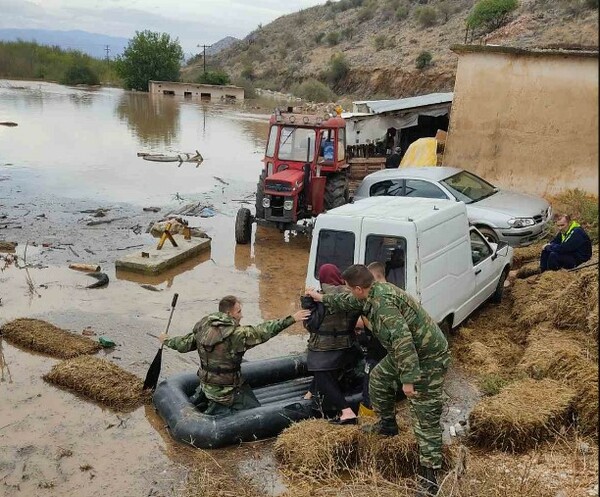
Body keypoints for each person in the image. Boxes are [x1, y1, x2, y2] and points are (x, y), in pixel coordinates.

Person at [306, 265, 450, 497]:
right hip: (405, 353)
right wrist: (319, 297)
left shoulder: (384, 306)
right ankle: (387, 425)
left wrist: (408, 380)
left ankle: (430, 477)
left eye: (351, 290)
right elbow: (347, 302)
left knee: (424, 413)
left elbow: (404, 341)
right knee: (378, 380)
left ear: (359, 288)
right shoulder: (371, 293)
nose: (351, 294)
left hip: (427, 357)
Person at [159, 295, 310, 415]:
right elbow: (264, 331)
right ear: (228, 313)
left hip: (206, 385)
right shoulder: (237, 335)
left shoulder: (203, 327)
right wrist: (292, 319)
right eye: (239, 312)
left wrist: (167, 340)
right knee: (255, 411)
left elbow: (183, 344)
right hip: (227, 391)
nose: (241, 316)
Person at [302, 264, 362, 424]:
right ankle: (311, 392)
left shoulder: (321, 299)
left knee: (322, 373)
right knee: (326, 372)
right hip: (347, 347)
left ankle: (346, 411)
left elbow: (311, 325)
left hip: (324, 349)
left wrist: (307, 304)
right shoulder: (351, 296)